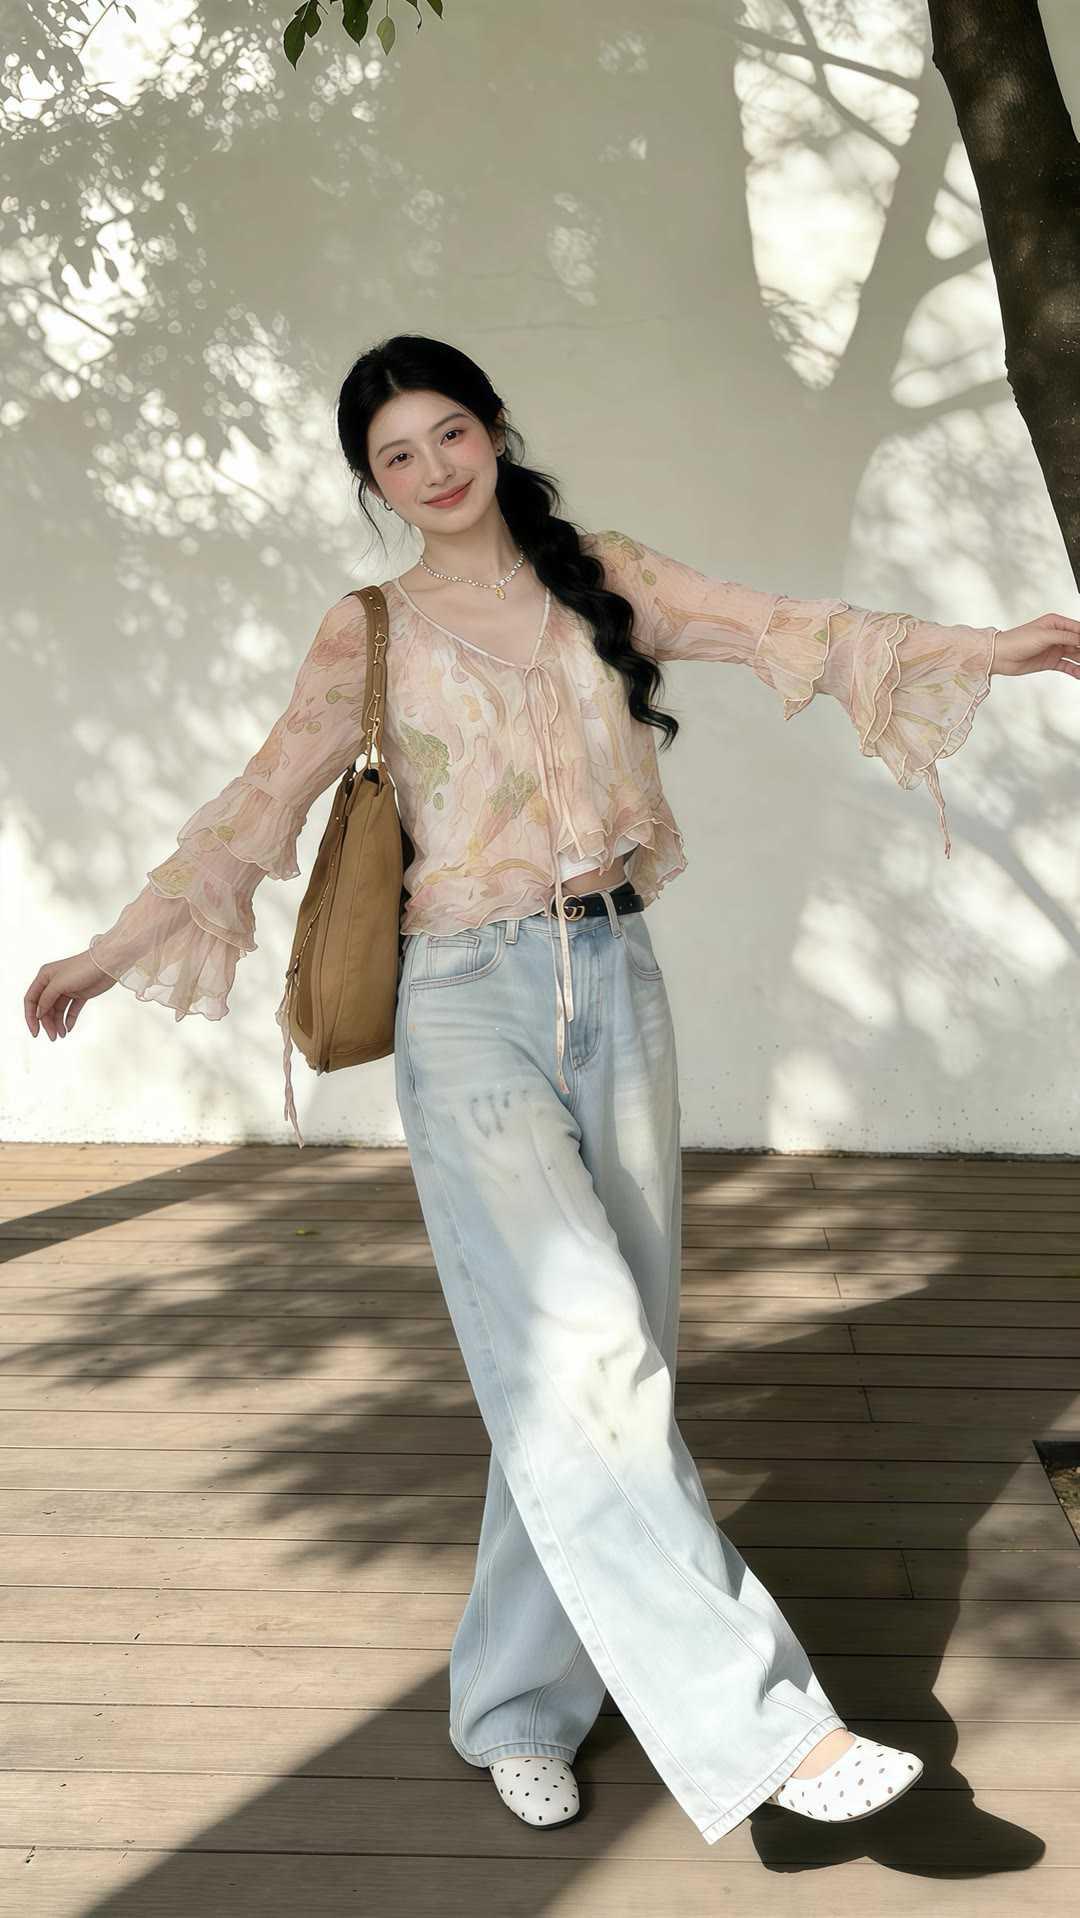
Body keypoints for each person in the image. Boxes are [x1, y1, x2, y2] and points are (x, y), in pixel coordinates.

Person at [23, 335, 1080, 1845]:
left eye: (449, 432)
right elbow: (255, 810)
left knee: (602, 1364)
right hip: (465, 1004)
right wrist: (112, 948)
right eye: (397, 455)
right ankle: (777, 1734)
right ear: (374, 483)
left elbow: (787, 624)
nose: (433, 469)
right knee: (583, 1357)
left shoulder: (604, 574)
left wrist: (992, 643)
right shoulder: (368, 631)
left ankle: (515, 1705)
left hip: (618, 983)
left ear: (495, 427)